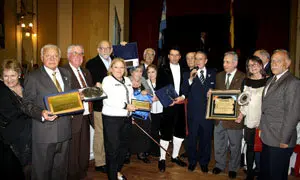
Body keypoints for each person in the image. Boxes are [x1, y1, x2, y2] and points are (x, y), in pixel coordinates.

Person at [23, 44, 72, 180]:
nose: (52, 58)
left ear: (59, 58)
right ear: (41, 57)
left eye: (55, 55)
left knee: (60, 172)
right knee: (41, 173)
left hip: (64, 131)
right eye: (48, 56)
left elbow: (68, 97)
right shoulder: (33, 77)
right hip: (44, 134)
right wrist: (41, 113)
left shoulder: (66, 73)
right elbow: (26, 104)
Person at [259, 49, 300, 180]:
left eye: (278, 61)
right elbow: (265, 108)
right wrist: (261, 128)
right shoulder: (271, 80)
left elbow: (293, 113)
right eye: (272, 61)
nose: (274, 64)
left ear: (287, 64)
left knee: (276, 175)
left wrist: (285, 139)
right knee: (266, 173)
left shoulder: (293, 82)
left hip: (280, 139)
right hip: (268, 136)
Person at [212, 51, 245, 179]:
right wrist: (211, 92)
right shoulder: (219, 75)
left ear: (235, 63)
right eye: (224, 61)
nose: (224, 64)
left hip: (234, 118)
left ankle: (233, 167)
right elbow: (217, 93)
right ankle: (220, 165)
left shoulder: (243, 76)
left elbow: (246, 98)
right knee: (219, 143)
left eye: (228, 62)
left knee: (235, 145)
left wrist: (241, 113)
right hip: (219, 117)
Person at [101, 58, 136, 180]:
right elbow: (108, 99)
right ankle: (112, 176)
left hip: (126, 118)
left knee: (124, 148)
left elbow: (130, 98)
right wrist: (126, 106)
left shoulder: (127, 80)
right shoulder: (107, 80)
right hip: (112, 120)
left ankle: (117, 171)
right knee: (113, 150)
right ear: (111, 69)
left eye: (122, 67)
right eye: (116, 67)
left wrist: (130, 114)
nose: (119, 70)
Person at [182, 51, 216, 172]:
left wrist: (214, 91)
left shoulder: (213, 73)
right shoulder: (188, 74)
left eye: (200, 59)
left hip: (207, 114)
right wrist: (190, 79)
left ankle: (204, 162)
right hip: (194, 113)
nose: (197, 61)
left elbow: (219, 91)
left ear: (205, 61)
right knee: (192, 139)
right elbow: (184, 92)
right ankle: (192, 161)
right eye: (196, 59)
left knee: (205, 139)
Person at [63, 45, 93, 180]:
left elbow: (90, 93)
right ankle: (72, 175)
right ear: (68, 55)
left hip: (86, 115)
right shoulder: (62, 71)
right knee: (72, 149)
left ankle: (82, 172)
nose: (79, 56)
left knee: (83, 147)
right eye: (75, 53)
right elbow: (61, 95)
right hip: (72, 117)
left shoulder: (86, 72)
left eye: (81, 53)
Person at [235, 56, 267, 180]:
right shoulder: (246, 81)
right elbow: (244, 101)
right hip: (250, 120)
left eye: (254, 64)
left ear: (260, 64)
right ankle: (249, 173)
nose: (252, 67)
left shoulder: (268, 81)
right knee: (250, 148)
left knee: (263, 148)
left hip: (263, 121)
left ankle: (261, 171)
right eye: (249, 65)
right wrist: (240, 115)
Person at [156, 46, 188, 172]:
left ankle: (175, 156)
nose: (174, 57)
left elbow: (187, 87)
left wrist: (183, 97)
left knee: (179, 131)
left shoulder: (185, 70)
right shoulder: (162, 69)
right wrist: (168, 102)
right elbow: (159, 87)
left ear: (180, 57)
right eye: (172, 54)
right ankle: (162, 158)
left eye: (177, 55)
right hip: (169, 105)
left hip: (180, 104)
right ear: (168, 56)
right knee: (166, 131)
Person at [0, 59, 32, 179]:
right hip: (13, 135)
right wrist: (38, 114)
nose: (9, 79)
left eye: (12, 75)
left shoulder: (26, 84)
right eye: (5, 76)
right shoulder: (2, 91)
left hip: (30, 131)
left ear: (19, 74)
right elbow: (11, 114)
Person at [86, 40, 113, 172]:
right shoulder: (91, 63)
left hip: (114, 105)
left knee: (110, 134)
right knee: (100, 134)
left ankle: (108, 159)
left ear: (111, 49)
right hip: (99, 105)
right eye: (102, 48)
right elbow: (90, 85)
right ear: (98, 50)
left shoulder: (115, 62)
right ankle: (100, 162)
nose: (105, 50)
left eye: (107, 48)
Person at [129, 65, 152, 163]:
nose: (139, 73)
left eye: (141, 71)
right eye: (136, 71)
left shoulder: (143, 80)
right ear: (131, 72)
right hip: (131, 113)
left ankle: (141, 153)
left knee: (143, 132)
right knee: (130, 133)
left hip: (144, 113)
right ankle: (128, 153)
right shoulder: (126, 81)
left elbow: (150, 92)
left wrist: (146, 91)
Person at [146, 64, 163, 157]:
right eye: (149, 72)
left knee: (161, 131)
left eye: (153, 72)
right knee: (153, 131)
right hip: (150, 111)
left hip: (161, 109)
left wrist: (159, 97)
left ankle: (161, 150)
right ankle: (154, 150)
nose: (151, 74)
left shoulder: (161, 82)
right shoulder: (145, 83)